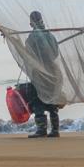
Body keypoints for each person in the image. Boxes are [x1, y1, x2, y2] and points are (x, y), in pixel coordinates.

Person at [23, 10, 61, 138]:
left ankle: (41, 130)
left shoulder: (33, 36)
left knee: (37, 99)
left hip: (40, 72)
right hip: (53, 71)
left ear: (31, 22)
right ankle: (55, 130)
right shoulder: (50, 35)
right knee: (51, 99)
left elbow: (27, 53)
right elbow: (55, 53)